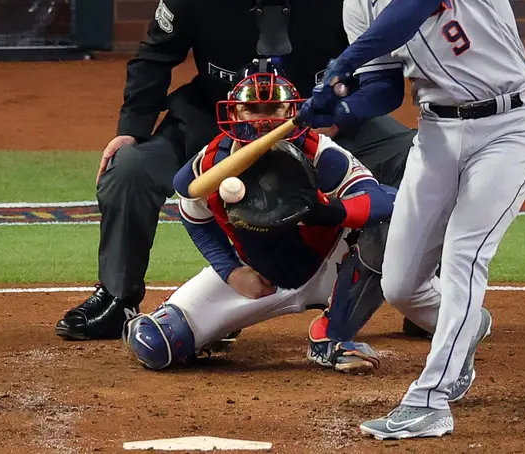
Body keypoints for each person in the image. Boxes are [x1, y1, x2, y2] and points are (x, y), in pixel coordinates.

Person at [55, 0, 419, 342]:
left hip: (316, 122)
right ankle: (116, 298)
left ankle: (419, 293)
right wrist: (130, 131)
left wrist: (339, 116)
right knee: (127, 170)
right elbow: (152, 60)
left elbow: (378, 67)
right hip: (217, 122)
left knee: (416, 156)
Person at [301, 0, 525, 440]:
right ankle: (466, 327)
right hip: (437, 134)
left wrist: (342, 63)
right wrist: (337, 109)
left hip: (508, 127)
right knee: (401, 285)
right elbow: (388, 84)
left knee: (463, 257)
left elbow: (416, 6)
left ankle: (431, 400)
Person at [122, 62, 394, 373]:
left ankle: (332, 335)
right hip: (261, 277)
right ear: (235, 114)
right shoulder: (211, 163)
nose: (264, 120)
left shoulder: (319, 154)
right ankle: (223, 325)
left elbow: (384, 202)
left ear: (291, 112)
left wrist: (331, 212)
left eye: (274, 108)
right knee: (154, 343)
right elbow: (192, 214)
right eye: (253, 109)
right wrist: (231, 271)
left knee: (389, 227)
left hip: (335, 266)